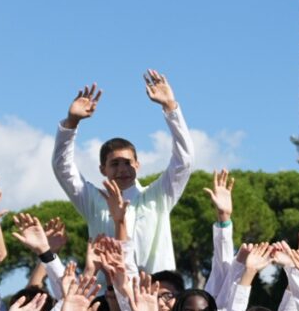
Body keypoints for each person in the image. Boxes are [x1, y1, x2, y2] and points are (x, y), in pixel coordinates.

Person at [53, 74, 194, 277]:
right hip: (107, 293)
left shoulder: (158, 196)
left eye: (128, 163)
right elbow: (62, 168)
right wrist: (71, 123)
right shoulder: (93, 200)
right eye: (114, 164)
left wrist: (170, 107)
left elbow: (184, 162)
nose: (122, 169)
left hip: (155, 291)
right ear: (103, 169)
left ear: (137, 165)